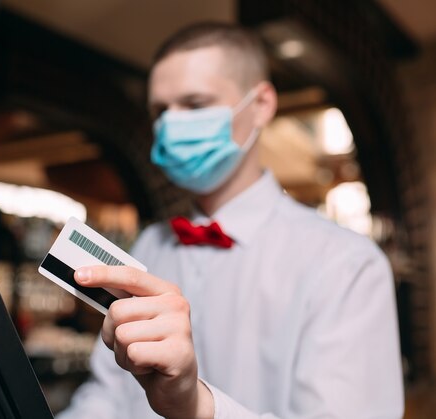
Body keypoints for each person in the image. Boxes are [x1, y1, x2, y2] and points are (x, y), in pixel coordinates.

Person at [57, 22, 404, 419]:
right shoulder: (151, 244)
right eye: (159, 111)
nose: (171, 125)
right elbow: (110, 394)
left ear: (261, 105)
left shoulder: (346, 264)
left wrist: (196, 405)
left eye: (195, 104)